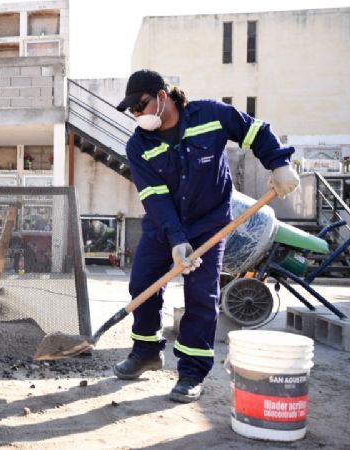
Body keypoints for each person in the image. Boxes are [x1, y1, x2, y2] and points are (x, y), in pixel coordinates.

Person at [113, 70, 300, 403]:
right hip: (163, 225)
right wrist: (176, 240)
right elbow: (155, 196)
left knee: (201, 296)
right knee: (142, 285)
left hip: (208, 225)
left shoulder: (210, 115)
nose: (137, 115)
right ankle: (145, 352)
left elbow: (255, 131)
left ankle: (191, 373)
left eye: (140, 106)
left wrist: (279, 164)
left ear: (162, 96)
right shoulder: (138, 145)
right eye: (132, 111)